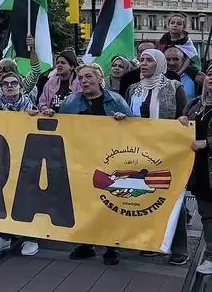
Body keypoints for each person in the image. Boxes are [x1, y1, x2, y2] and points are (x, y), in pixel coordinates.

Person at [58, 63, 132, 266]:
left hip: (110, 161)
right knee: (84, 204)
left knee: (109, 204)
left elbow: (136, 126)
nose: (84, 81)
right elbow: (60, 125)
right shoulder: (71, 102)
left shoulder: (116, 100)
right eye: (80, 78)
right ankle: (86, 244)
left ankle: (111, 247)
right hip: (82, 161)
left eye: (88, 76)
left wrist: (124, 120)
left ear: (100, 78)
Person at [126, 49, 189, 265]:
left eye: (149, 60)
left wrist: (182, 122)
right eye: (141, 59)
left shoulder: (174, 87)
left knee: (172, 198)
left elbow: (184, 116)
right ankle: (150, 242)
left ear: (159, 64)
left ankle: (179, 248)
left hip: (167, 152)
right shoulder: (133, 89)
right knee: (145, 197)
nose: (143, 63)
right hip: (139, 152)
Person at [0, 72, 40, 256]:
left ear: (21, 87)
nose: (10, 86)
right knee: (2, 197)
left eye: (14, 83)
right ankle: (4, 236)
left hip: (26, 159)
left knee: (26, 198)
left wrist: (36, 116)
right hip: (1, 159)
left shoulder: (31, 107)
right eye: (5, 83)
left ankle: (31, 238)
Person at [179, 70, 212, 274]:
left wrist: (207, 142)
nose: (211, 78)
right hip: (200, 169)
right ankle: (210, 257)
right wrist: (182, 121)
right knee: (207, 214)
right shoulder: (194, 104)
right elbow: (183, 132)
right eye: (210, 74)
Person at [38, 50, 80, 114]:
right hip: (52, 118)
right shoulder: (51, 82)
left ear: (71, 67)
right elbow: (42, 102)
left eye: (63, 63)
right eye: (57, 63)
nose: (59, 65)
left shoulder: (79, 82)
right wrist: (45, 109)